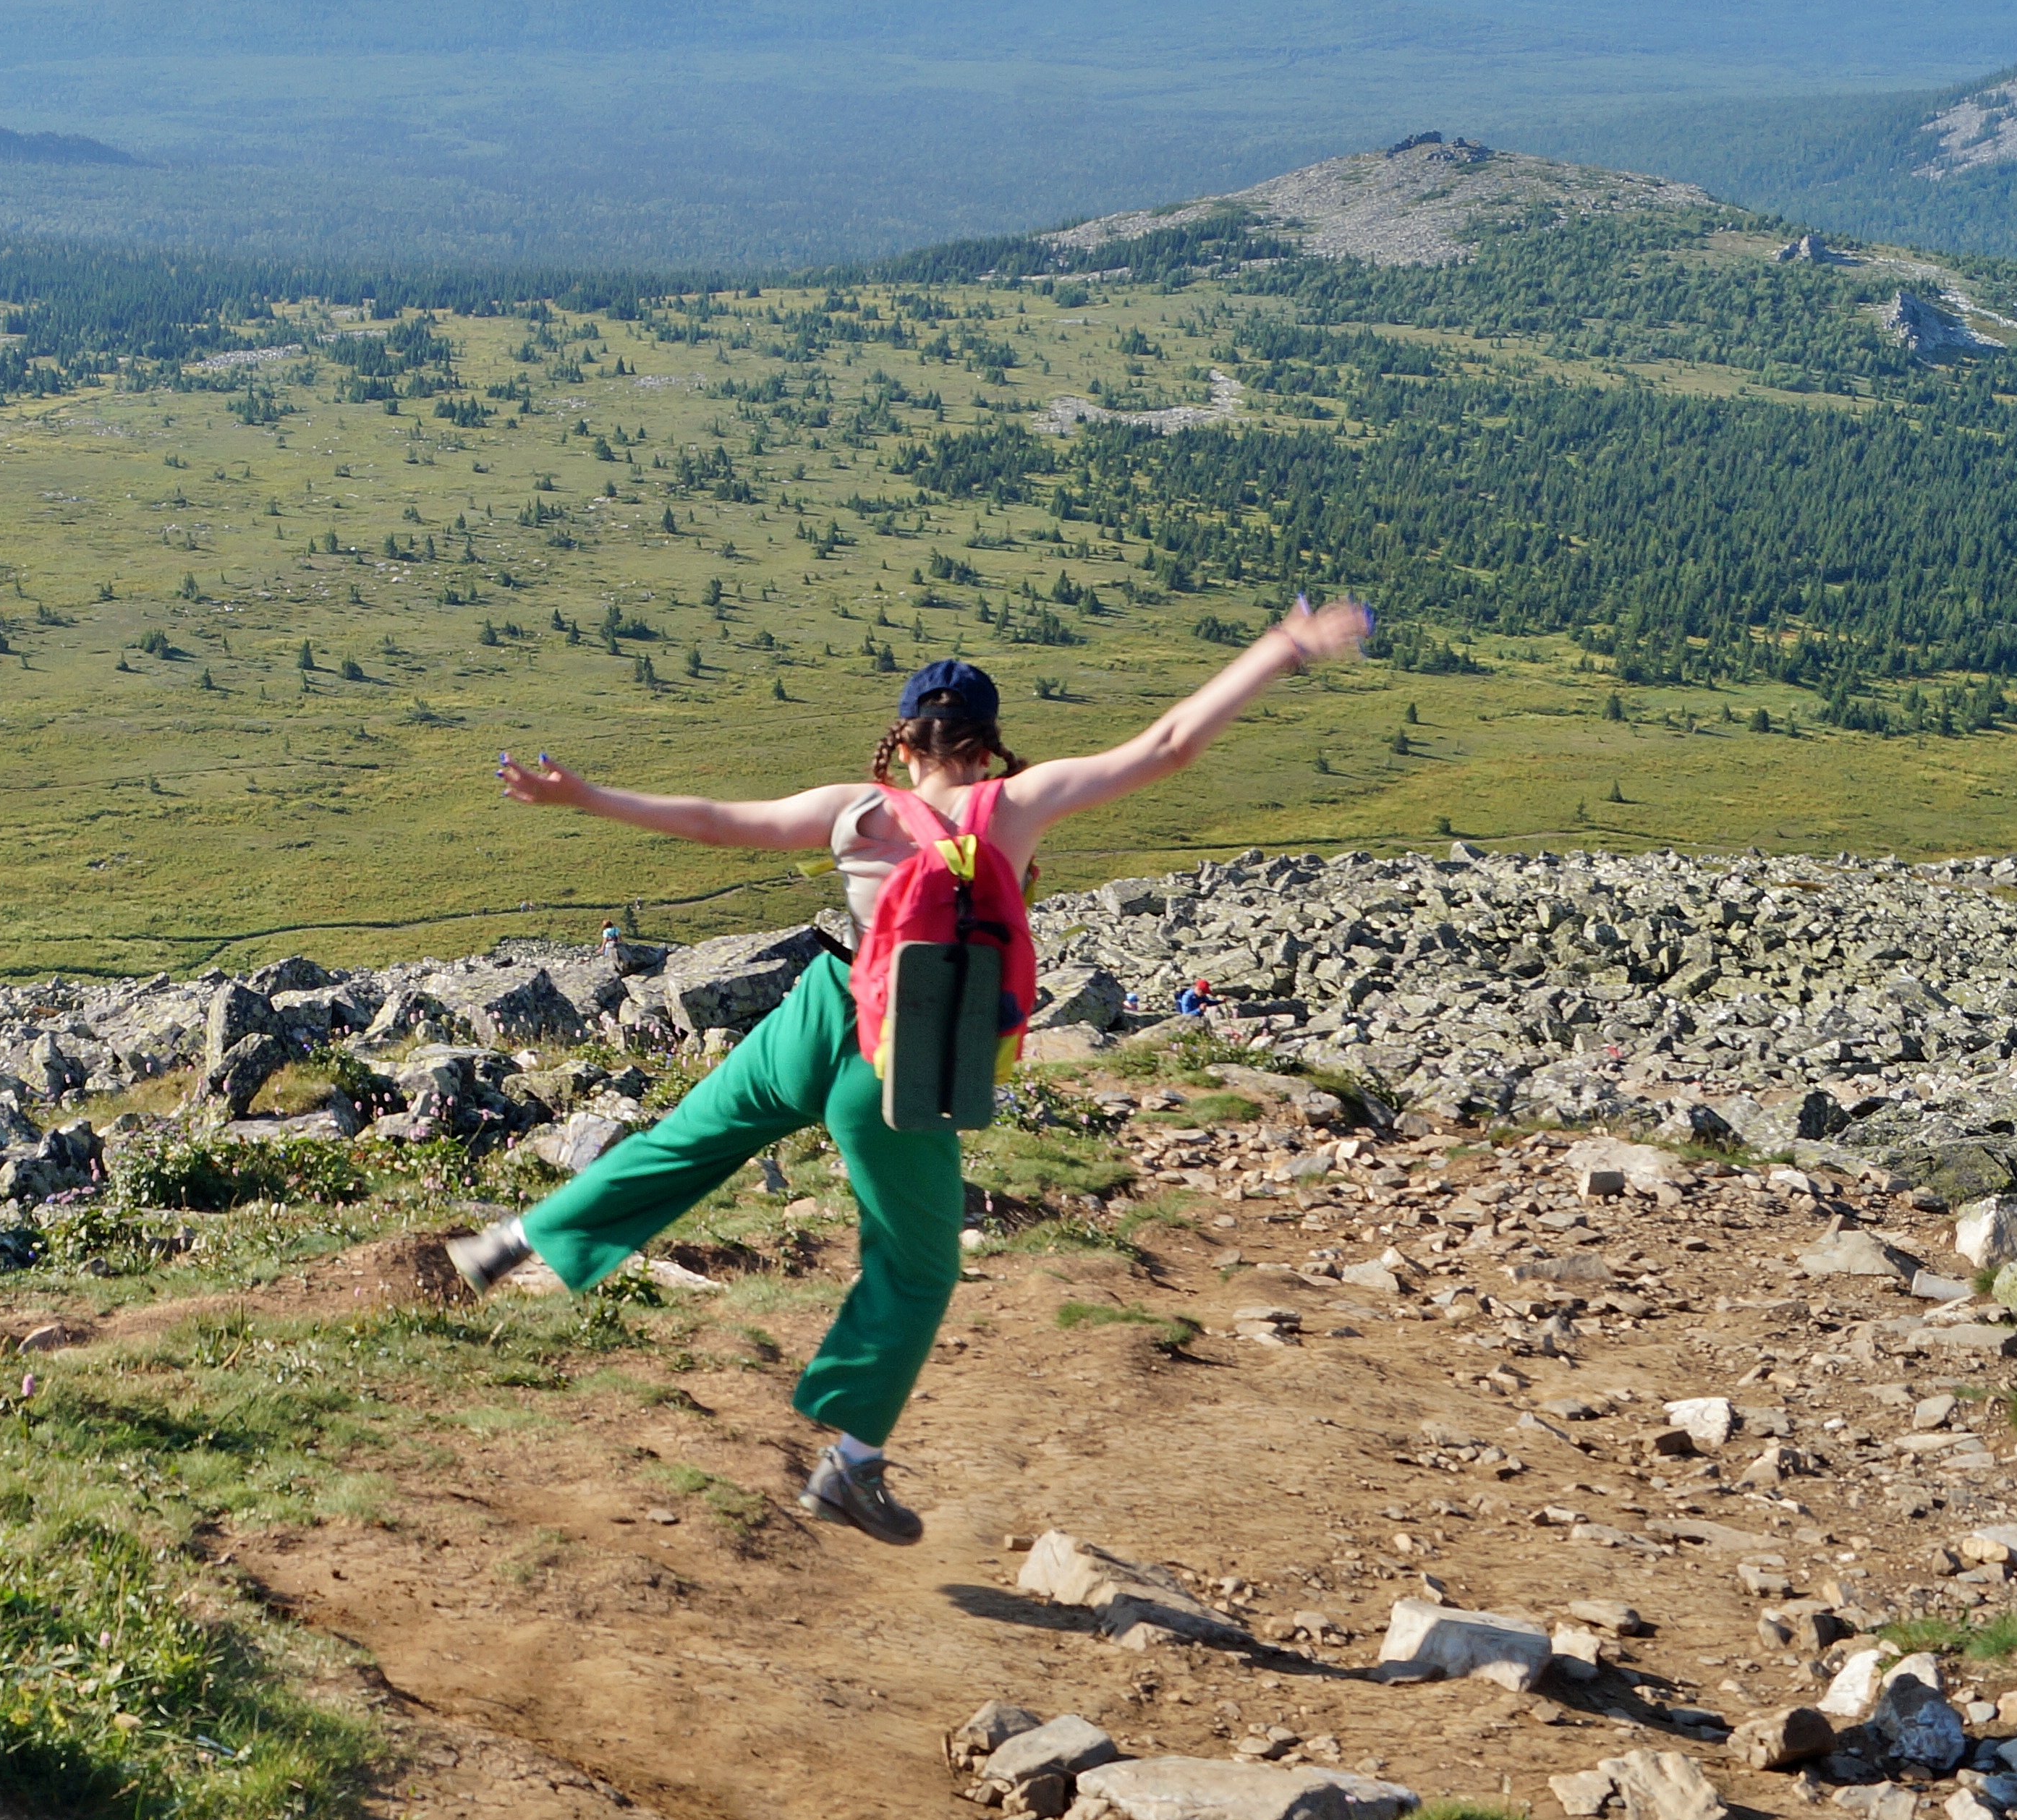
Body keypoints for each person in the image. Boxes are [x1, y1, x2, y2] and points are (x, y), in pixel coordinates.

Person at [449, 595, 1375, 1543]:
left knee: (689, 1140)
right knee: (919, 1263)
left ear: (905, 742)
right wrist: (1280, 648)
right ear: (986, 743)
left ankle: (518, 1238)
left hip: (817, 1013)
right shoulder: (1011, 807)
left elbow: (718, 820)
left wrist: (585, 796)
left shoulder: (855, 814)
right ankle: (851, 1464)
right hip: (909, 1052)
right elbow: (1171, 743)